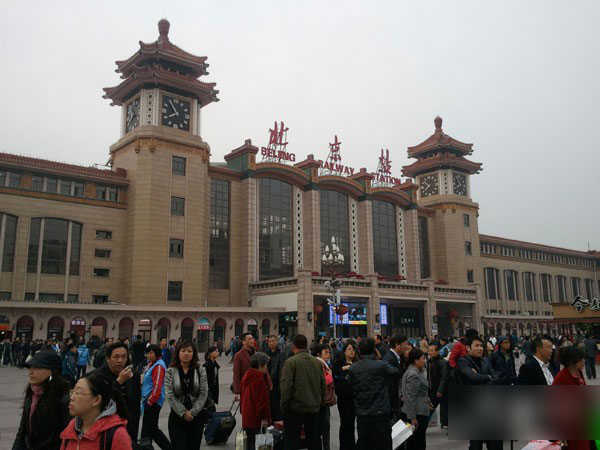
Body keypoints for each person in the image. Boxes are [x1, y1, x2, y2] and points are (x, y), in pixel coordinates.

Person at [12, 351, 71, 450]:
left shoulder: (63, 399)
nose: (31, 371)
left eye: (37, 367)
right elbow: (23, 430)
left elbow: (66, 436)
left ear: (51, 371)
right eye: (30, 367)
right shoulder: (32, 392)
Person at [348, 338, 399, 450]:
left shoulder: (353, 368)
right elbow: (395, 373)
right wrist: (379, 359)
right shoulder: (381, 365)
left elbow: (351, 385)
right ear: (374, 350)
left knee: (365, 443)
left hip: (362, 414)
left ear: (359, 351)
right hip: (380, 413)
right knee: (383, 444)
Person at [61, 372, 132, 450]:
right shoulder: (72, 428)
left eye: (78, 392)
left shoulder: (116, 435)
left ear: (96, 400)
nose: (72, 397)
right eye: (73, 391)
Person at [280, 334, 325, 450]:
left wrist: (284, 405)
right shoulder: (316, 362)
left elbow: (286, 387)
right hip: (313, 408)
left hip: (295, 409)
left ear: (293, 346)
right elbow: (322, 384)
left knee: (292, 442)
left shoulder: (290, 362)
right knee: (314, 441)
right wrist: (320, 401)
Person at [455, 336, 501, 450]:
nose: (480, 348)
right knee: (476, 444)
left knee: (494, 443)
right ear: (468, 348)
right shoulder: (463, 361)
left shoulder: (486, 361)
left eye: (481, 346)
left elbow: (496, 378)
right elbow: (471, 377)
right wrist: (487, 377)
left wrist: (481, 379)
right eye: (476, 346)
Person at [90, 342, 141, 442]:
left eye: (124, 357)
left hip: (128, 425)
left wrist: (134, 429)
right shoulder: (96, 376)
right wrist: (118, 382)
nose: (120, 361)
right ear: (108, 359)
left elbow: (135, 406)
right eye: (116, 357)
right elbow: (99, 402)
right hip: (105, 427)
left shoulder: (133, 375)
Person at [165, 341, 209, 450]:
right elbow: (169, 395)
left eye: (189, 351)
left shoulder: (200, 370)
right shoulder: (170, 371)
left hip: (196, 417)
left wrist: (193, 412)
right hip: (177, 416)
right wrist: (183, 413)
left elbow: (203, 393)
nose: (186, 354)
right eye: (183, 351)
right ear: (178, 353)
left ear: (194, 354)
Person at [552, 346, 590, 450]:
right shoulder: (561, 378)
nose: (583, 361)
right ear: (571, 361)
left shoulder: (579, 373)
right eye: (580, 359)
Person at [141, 344, 171, 450]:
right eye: (147, 353)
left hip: (153, 402)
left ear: (157, 353)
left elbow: (157, 385)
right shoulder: (152, 364)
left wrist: (150, 401)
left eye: (151, 353)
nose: (148, 355)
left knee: (152, 429)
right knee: (147, 429)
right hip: (149, 401)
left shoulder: (158, 366)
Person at [240, 352, 271, 450]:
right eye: (265, 365)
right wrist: (264, 417)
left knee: (249, 444)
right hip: (256, 418)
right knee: (257, 445)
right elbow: (261, 401)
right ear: (260, 365)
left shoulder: (246, 375)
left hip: (247, 417)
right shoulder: (258, 378)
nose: (266, 368)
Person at [402, 348, 432, 450]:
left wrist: (427, 401)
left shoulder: (415, 371)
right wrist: (412, 418)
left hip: (418, 411)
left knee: (416, 441)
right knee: (417, 443)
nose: (424, 361)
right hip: (417, 413)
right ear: (416, 360)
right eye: (423, 358)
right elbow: (411, 397)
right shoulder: (413, 374)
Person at [332, 340, 359, 450]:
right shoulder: (339, 363)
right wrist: (344, 368)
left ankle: (351, 446)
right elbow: (334, 375)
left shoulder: (357, 363)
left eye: (353, 349)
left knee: (352, 424)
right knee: (345, 423)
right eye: (349, 349)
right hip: (344, 398)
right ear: (344, 351)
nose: (352, 351)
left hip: (354, 398)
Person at [312, 344, 334, 450]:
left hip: (320, 400)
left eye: (329, 352)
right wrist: (330, 375)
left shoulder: (324, 363)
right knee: (324, 427)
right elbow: (323, 382)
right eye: (325, 352)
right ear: (318, 354)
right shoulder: (319, 364)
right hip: (321, 401)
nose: (328, 354)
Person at [382, 335, 408, 420]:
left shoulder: (397, 357)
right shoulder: (389, 359)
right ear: (397, 345)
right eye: (405, 344)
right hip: (391, 400)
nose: (407, 346)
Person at [427, 341, 448, 429]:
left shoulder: (441, 362)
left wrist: (440, 390)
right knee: (429, 409)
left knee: (447, 409)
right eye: (429, 350)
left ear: (437, 352)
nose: (430, 352)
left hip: (441, 392)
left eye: (432, 351)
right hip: (433, 391)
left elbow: (444, 377)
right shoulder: (430, 362)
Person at [233, 333, 257, 402]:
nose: (252, 340)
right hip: (246, 386)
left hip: (257, 386)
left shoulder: (256, 353)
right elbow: (236, 374)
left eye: (252, 339)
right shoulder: (238, 355)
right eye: (249, 339)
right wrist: (237, 391)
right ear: (243, 342)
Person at [266, 335, 285, 421]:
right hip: (268, 384)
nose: (271, 343)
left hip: (277, 384)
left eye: (273, 341)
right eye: (270, 341)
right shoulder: (266, 354)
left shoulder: (281, 353)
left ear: (277, 342)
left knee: (276, 406)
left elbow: (282, 369)